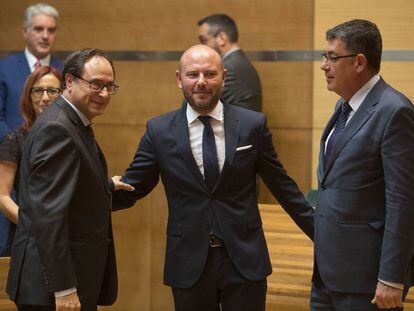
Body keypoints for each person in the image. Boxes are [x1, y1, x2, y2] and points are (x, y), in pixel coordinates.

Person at [112, 44, 314, 311]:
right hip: (188, 263)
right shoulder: (159, 131)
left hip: (245, 261)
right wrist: (91, 194)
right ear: (179, 78)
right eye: (193, 74)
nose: (201, 83)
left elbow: (283, 186)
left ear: (224, 77)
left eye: (210, 74)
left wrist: (323, 234)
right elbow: (133, 186)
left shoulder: (252, 125)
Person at [6, 48, 133, 311]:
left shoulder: (72, 122)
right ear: (70, 81)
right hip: (51, 288)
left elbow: (67, 189)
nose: (104, 93)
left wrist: (106, 186)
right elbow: (49, 215)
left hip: (60, 281)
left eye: (110, 86)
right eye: (96, 84)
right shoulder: (58, 128)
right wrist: (64, 289)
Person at [312, 19, 414, 310]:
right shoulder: (342, 107)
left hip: (366, 281)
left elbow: (403, 201)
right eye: (324, 55)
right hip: (325, 275)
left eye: (332, 56)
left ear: (358, 62)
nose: (323, 64)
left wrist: (392, 277)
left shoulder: (395, 111)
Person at [0, 66, 62, 257]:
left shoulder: (71, 138)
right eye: (38, 90)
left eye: (52, 90)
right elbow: (2, 197)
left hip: (63, 239)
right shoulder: (15, 139)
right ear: (29, 95)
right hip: (26, 239)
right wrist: (33, 226)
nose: (45, 97)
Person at [0, 3, 63, 141]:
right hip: (11, 153)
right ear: (25, 32)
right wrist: (15, 146)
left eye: (51, 30)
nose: (45, 36)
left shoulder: (64, 72)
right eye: (39, 29)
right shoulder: (4, 68)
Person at [197, 14, 262, 112]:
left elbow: (197, 106)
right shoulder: (239, 63)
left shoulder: (229, 68)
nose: (201, 47)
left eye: (204, 40)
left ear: (222, 39)